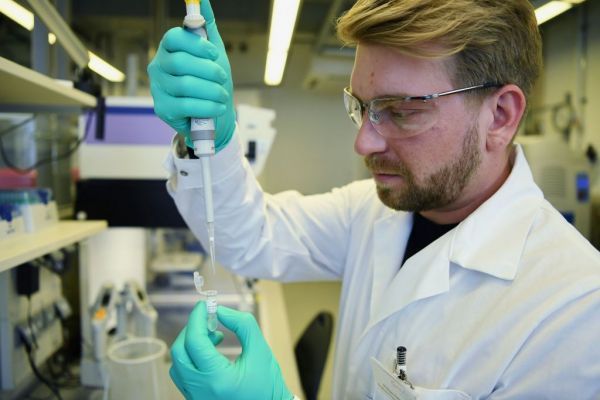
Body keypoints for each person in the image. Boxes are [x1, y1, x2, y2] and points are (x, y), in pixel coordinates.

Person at [148, 0, 600, 398]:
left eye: (401, 111)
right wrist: (210, 141)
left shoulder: (574, 308)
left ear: (500, 116)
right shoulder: (369, 210)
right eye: (362, 107)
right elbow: (251, 237)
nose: (363, 143)